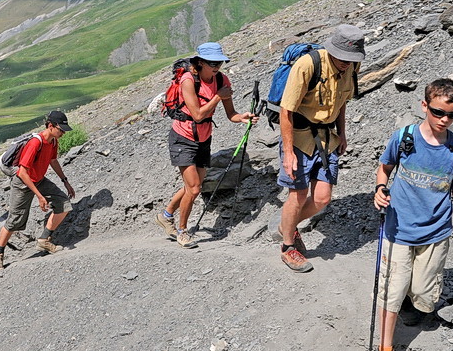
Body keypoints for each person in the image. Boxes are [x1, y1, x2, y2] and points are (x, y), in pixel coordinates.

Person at [371, 78, 453, 351]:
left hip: (436, 233)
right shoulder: (405, 138)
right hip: (398, 230)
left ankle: (412, 301)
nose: (444, 120)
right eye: (438, 112)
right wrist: (380, 191)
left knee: (423, 294)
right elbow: (384, 169)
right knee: (390, 295)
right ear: (425, 106)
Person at [277, 24, 365, 272]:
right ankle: (287, 247)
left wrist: (343, 133)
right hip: (299, 138)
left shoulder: (352, 66)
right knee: (298, 195)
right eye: (344, 58)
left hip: (328, 138)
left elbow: (342, 102)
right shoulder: (307, 65)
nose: (347, 63)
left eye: (352, 59)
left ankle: (288, 225)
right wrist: (289, 152)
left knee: (323, 198)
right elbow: (287, 111)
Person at [155, 42, 257, 248]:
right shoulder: (187, 80)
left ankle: (166, 215)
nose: (217, 66)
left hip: (203, 138)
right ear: (200, 62)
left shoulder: (221, 79)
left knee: (193, 187)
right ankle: (182, 232)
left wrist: (243, 118)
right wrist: (219, 96)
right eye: (212, 63)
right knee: (194, 189)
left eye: (219, 62)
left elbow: (231, 114)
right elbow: (198, 114)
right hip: (182, 138)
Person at [0, 111, 76, 270]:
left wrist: (65, 182)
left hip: (38, 179)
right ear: (50, 126)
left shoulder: (53, 141)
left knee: (63, 204)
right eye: (61, 129)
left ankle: (44, 240)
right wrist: (39, 196)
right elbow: (22, 172)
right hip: (22, 183)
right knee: (14, 221)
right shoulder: (35, 143)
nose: (63, 133)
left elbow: (52, 160)